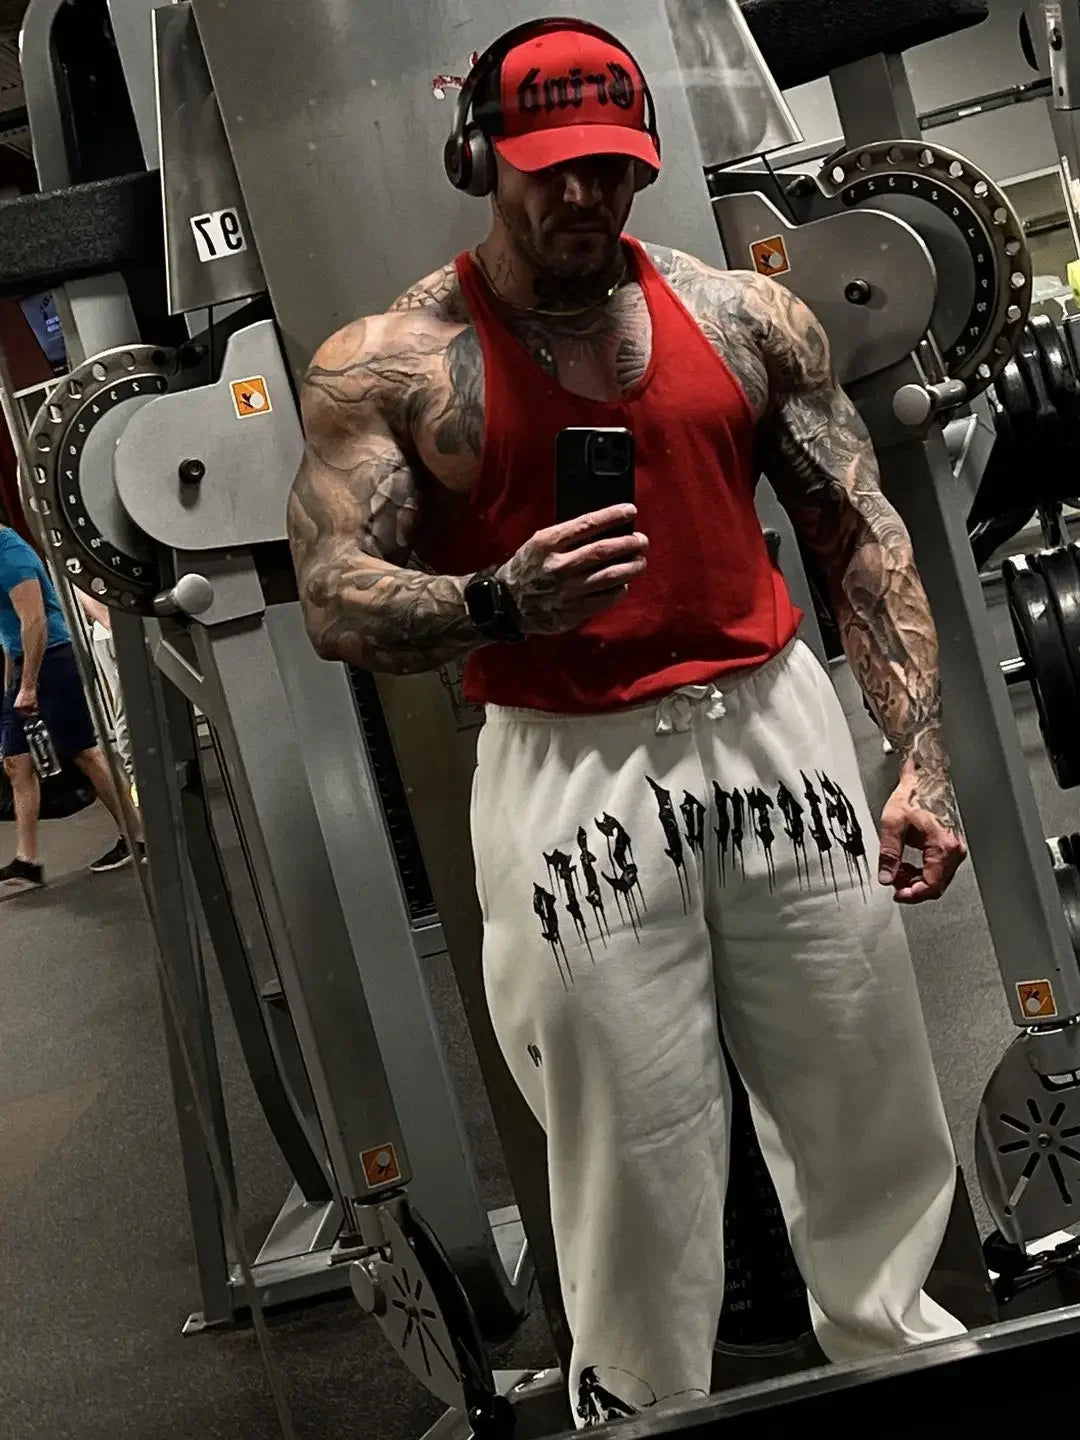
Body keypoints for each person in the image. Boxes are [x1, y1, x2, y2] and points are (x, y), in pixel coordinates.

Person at [287, 18, 969, 1425]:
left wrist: (921, 763)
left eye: (609, 166)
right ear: (479, 159)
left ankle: (909, 1361)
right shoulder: (394, 362)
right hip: (568, 763)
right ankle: (640, 1413)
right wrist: (495, 601)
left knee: (867, 1103)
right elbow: (333, 594)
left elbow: (859, 535)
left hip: (775, 729)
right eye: (550, 168)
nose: (584, 195)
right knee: (629, 1157)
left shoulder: (747, 318)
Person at [0, 521, 142, 890]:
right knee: (16, 763)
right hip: (24, 664)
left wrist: (28, 685)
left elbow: (35, 622)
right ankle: (27, 862)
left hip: (52, 659)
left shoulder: (12, 557)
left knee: (84, 752)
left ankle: (137, 835)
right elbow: (9, 631)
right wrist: (11, 682)